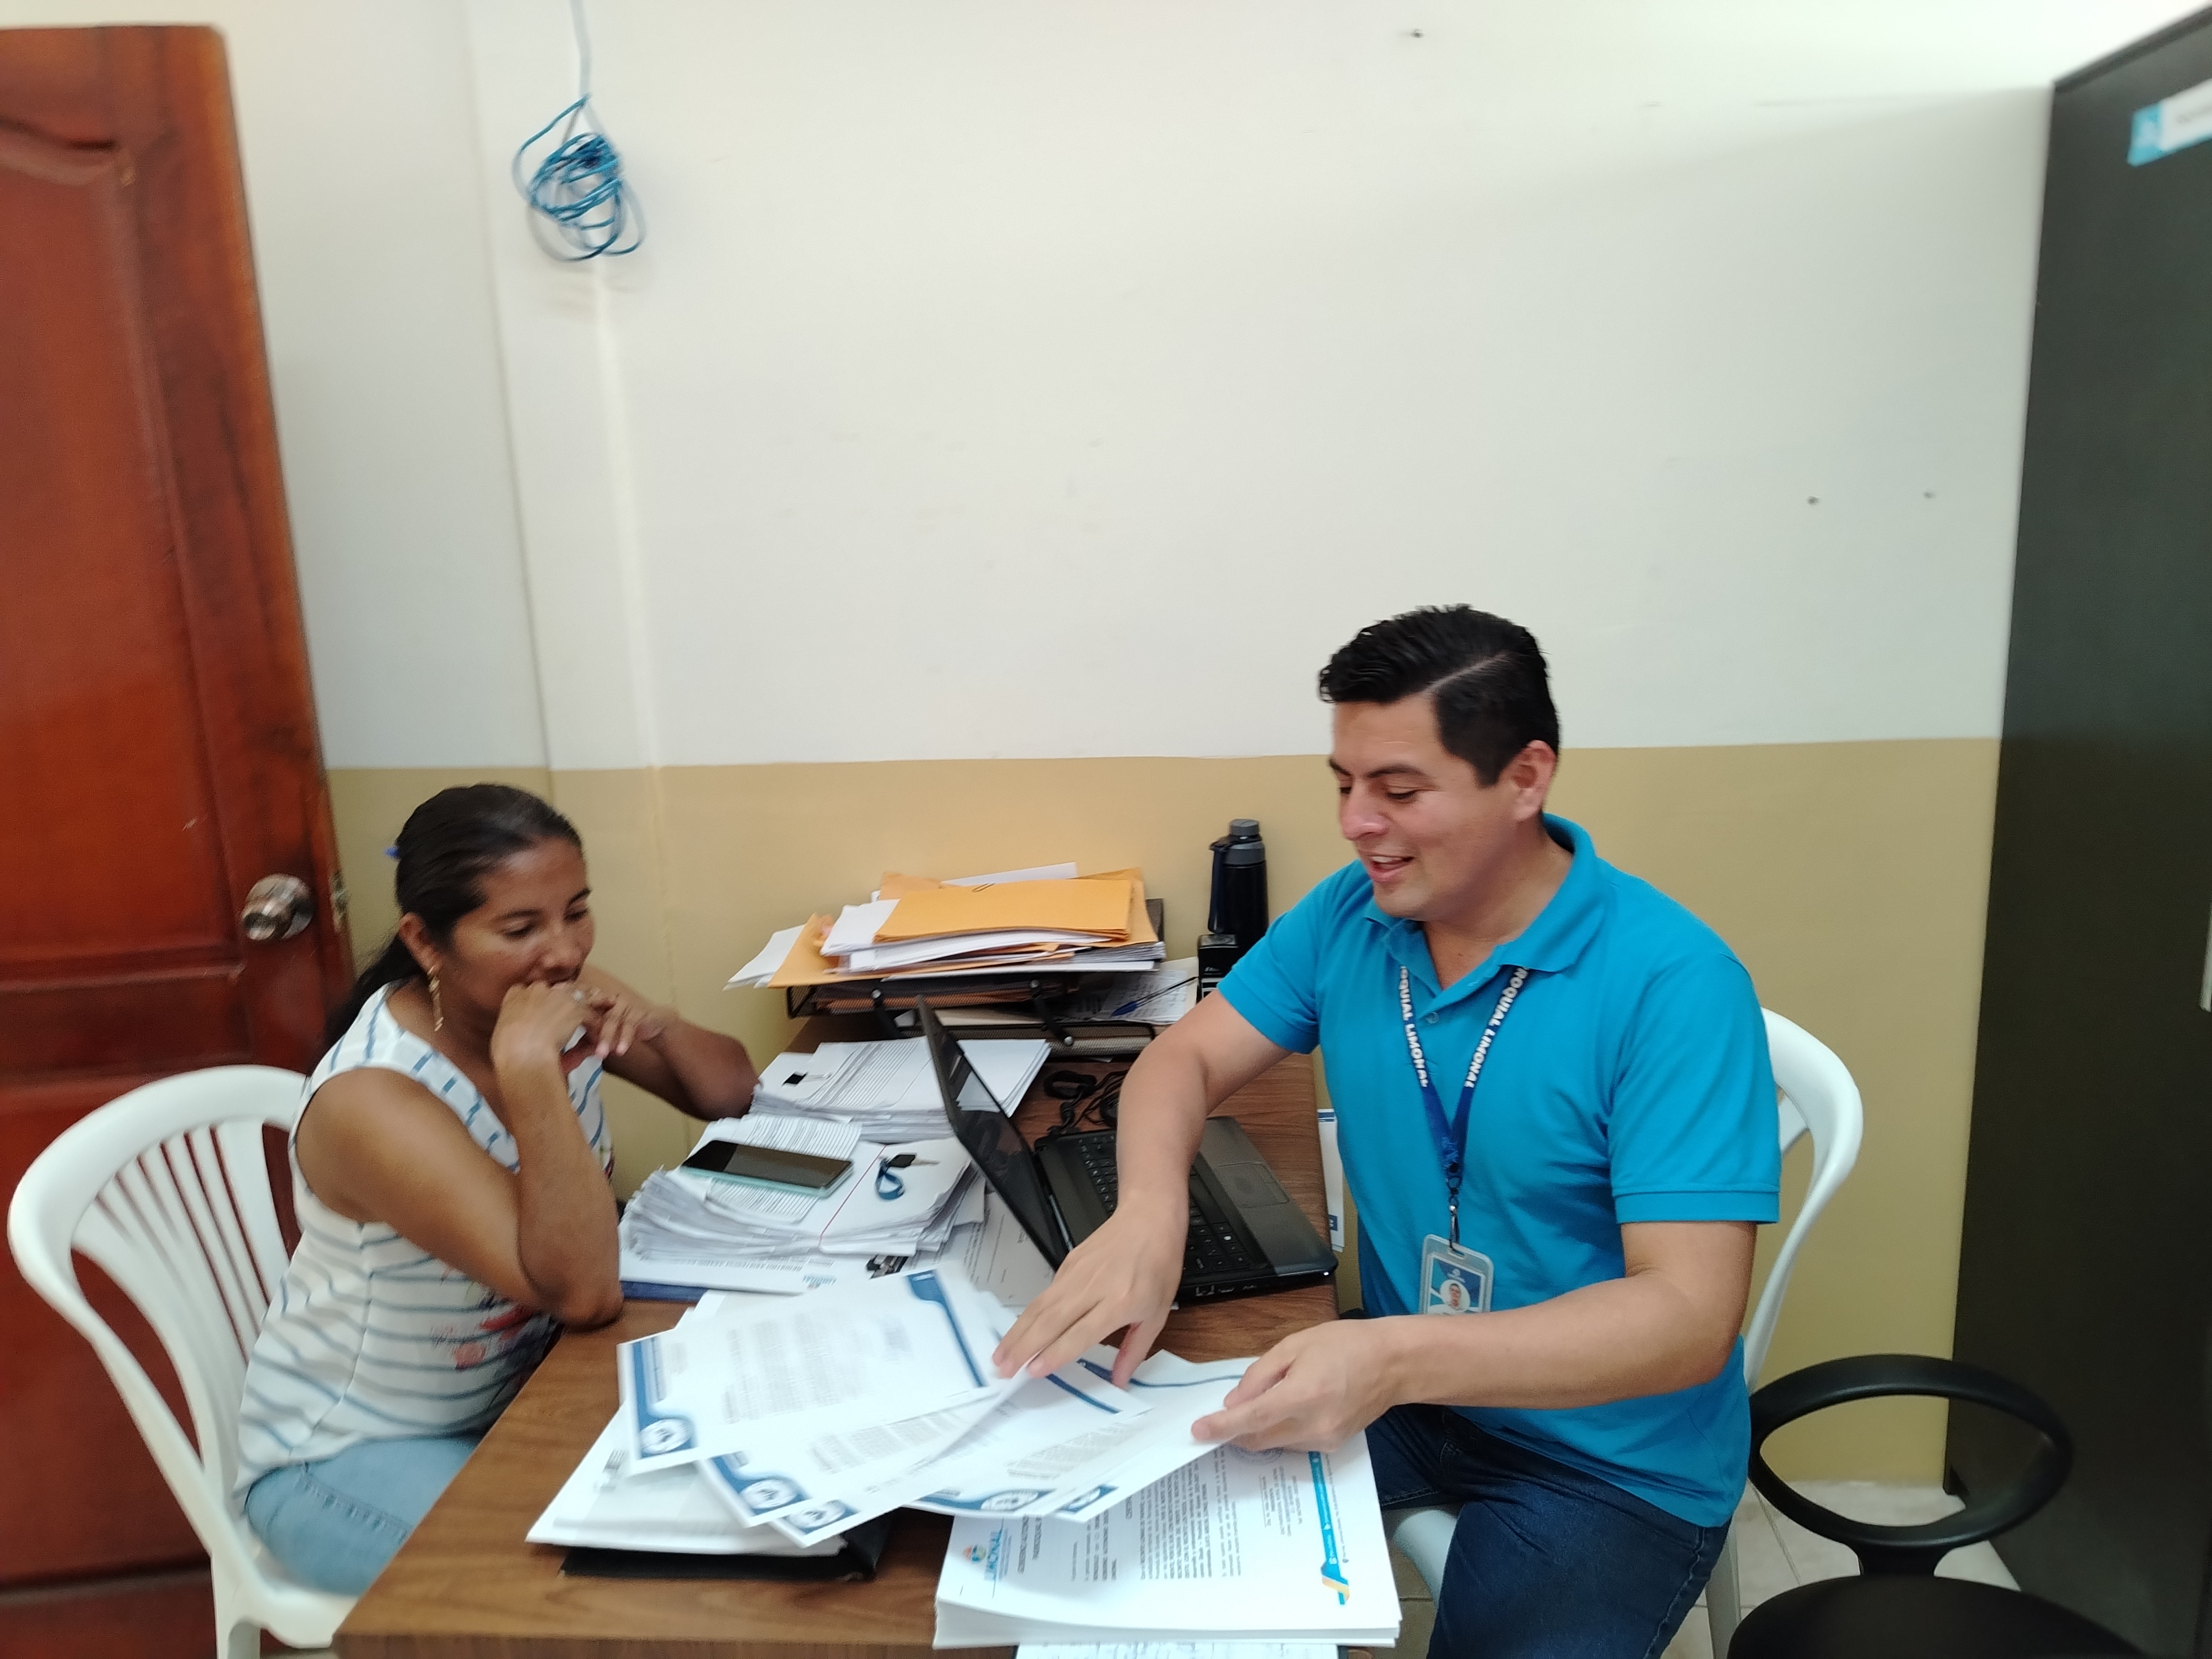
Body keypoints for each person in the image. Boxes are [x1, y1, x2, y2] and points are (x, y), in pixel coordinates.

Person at [997, 607, 1780, 1658]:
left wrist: (1397, 1356)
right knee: (1135, 1553)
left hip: (1607, 1457)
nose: (1358, 823)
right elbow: (1183, 1061)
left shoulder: (1674, 985)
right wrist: (1147, 1212)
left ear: (1526, 778)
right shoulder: (1353, 916)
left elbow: (1688, 1317)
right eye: (1344, 784)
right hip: (1411, 1387)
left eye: (1400, 791)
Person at [234, 783, 758, 1594]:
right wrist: (532, 1076)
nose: (564, 951)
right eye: (520, 929)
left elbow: (731, 1093)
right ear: (425, 940)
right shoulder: (373, 1099)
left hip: (513, 1401)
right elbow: (583, 1293)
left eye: (577, 912)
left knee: (727, 1508)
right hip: (344, 1460)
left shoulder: (540, 997)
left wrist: (651, 1019)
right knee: (604, 1591)